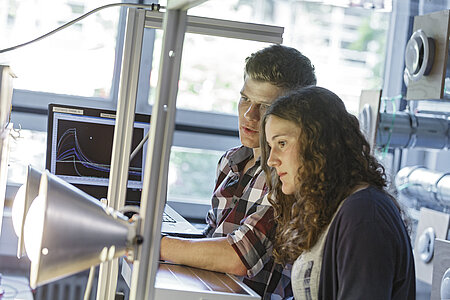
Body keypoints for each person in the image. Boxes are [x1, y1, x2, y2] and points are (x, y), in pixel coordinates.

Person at [160, 45, 317, 299]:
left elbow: (239, 256)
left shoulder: (287, 175)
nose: (249, 115)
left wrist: (159, 245)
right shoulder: (230, 162)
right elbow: (212, 237)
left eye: (265, 106)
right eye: (245, 99)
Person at [260, 86, 416, 300]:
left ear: (319, 144)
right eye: (271, 146)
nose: (271, 159)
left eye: (282, 143)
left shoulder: (364, 215)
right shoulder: (332, 207)